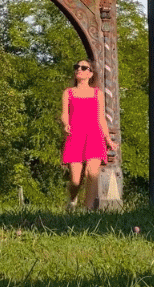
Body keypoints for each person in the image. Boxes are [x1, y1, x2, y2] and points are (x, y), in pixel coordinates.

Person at [59, 59, 117, 210]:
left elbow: (101, 118)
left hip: (94, 136)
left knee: (92, 173)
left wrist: (108, 139)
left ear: (90, 74)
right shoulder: (68, 93)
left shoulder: (97, 94)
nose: (79, 69)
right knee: (75, 180)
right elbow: (64, 114)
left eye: (84, 68)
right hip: (75, 136)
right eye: (77, 67)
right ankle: (72, 200)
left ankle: (88, 210)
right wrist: (66, 124)